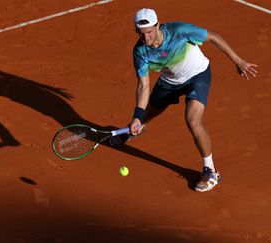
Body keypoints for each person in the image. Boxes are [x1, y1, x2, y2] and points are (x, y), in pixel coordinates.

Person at [110, 8, 258, 192]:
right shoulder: (140, 51)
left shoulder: (179, 31)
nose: (146, 38)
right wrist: (137, 116)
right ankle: (132, 129)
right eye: (141, 33)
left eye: (149, 31)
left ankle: (210, 171)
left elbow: (214, 37)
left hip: (197, 76)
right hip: (169, 81)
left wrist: (238, 61)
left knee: (193, 121)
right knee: (148, 113)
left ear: (157, 25)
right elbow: (143, 85)